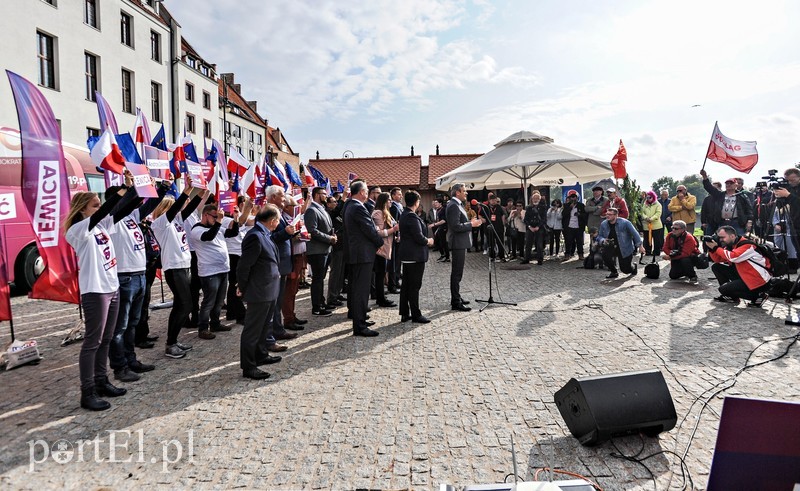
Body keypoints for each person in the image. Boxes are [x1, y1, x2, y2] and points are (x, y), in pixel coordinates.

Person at [65, 188, 131, 411]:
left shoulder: (101, 227)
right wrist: (121, 191)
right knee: (92, 341)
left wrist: (138, 189)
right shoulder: (78, 230)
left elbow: (124, 210)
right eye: (94, 204)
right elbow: (106, 210)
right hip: (95, 291)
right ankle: (88, 391)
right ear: (82, 209)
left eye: (98, 203)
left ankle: (102, 381)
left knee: (107, 338)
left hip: (112, 287)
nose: (99, 207)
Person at [106, 178, 166, 383]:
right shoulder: (111, 218)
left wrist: (162, 188)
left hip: (140, 275)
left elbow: (149, 203)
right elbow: (130, 201)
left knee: (132, 322)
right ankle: (119, 366)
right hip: (125, 277)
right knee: (120, 326)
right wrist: (132, 188)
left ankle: (131, 359)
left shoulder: (131, 216)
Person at [151, 180, 204, 359]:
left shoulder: (176, 221)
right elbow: (177, 209)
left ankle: (173, 341)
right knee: (184, 304)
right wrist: (187, 191)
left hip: (184, 266)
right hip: (174, 268)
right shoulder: (160, 224)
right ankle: (170, 343)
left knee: (184, 304)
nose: (178, 211)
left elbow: (189, 208)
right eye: (173, 208)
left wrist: (202, 191)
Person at [237, 204, 283, 380]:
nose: (278, 223)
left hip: (269, 288)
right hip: (259, 290)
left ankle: (261, 354)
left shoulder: (265, 234)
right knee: (253, 330)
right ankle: (249, 366)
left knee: (265, 326)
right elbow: (244, 266)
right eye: (277, 220)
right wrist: (243, 287)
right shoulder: (255, 236)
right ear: (272, 221)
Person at [190, 203, 240, 340]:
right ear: (205, 215)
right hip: (209, 271)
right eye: (214, 216)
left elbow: (232, 233)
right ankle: (203, 328)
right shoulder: (197, 229)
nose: (217, 219)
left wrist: (235, 219)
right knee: (209, 301)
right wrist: (218, 222)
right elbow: (208, 237)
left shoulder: (216, 227)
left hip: (223, 269)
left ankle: (215, 323)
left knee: (219, 301)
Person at [344, 180, 386, 336]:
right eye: (367, 190)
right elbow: (368, 229)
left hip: (356, 253)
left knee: (357, 289)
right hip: (362, 254)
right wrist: (380, 242)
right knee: (361, 290)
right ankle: (360, 326)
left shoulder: (349, 205)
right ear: (361, 192)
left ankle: (359, 317)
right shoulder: (357, 207)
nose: (368, 193)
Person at [707, 225, 770, 306]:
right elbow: (718, 259)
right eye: (719, 238)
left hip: (758, 280)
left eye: (722, 237)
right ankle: (731, 296)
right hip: (745, 275)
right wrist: (711, 249)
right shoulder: (731, 245)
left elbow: (733, 257)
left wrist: (716, 248)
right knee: (717, 267)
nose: (720, 240)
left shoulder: (747, 245)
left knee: (723, 289)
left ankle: (758, 296)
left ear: (732, 236)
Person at [397, 190, 433, 323]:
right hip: (414, 255)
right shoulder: (411, 216)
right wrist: (428, 241)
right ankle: (416, 314)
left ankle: (405, 313)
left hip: (409, 255)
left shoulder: (404, 214)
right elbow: (418, 236)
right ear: (416, 202)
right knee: (414, 286)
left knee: (407, 285)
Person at [446, 183, 482, 311]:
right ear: (457, 192)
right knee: (456, 273)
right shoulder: (453, 206)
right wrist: (471, 224)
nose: (466, 193)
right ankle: (455, 301)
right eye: (464, 191)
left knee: (458, 273)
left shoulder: (457, 205)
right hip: (457, 243)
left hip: (460, 242)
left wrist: (470, 223)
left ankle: (457, 296)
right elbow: (456, 226)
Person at [305, 186, 337, 316]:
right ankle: (317, 307)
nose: (326, 196)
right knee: (317, 279)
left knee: (321, 278)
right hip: (317, 250)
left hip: (326, 249)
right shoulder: (311, 210)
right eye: (324, 194)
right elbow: (312, 230)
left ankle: (321, 302)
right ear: (317, 195)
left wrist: (332, 235)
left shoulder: (322, 209)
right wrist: (329, 238)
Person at [225, 195, 254, 325]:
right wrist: (248, 206)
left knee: (234, 284)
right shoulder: (225, 218)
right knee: (235, 284)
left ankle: (231, 312)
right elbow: (240, 222)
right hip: (232, 254)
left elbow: (250, 222)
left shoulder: (239, 215)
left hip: (239, 253)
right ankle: (240, 314)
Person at [700, 170, 753, 236]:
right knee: (722, 240)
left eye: (731, 183)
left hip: (737, 223)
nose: (728, 185)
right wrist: (704, 176)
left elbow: (749, 210)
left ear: (736, 185)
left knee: (738, 240)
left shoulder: (742, 196)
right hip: (722, 222)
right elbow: (709, 188)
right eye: (727, 183)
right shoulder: (720, 195)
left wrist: (749, 221)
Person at [598, 208, 645, 278]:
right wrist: (603, 240)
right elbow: (600, 236)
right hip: (610, 246)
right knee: (605, 256)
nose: (607, 216)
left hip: (624, 247)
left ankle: (633, 267)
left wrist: (640, 246)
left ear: (616, 215)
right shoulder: (603, 224)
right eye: (607, 214)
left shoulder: (625, 223)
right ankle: (614, 271)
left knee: (625, 270)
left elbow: (635, 234)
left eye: (610, 214)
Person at [371, 192, 400, 308]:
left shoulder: (386, 212)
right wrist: (394, 230)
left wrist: (396, 234)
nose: (391, 202)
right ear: (383, 201)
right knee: (380, 275)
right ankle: (380, 298)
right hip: (380, 249)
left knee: (382, 273)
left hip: (387, 247)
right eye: (389, 200)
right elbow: (378, 233)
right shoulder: (377, 213)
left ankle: (381, 296)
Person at [326, 195, 346, 307]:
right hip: (336, 247)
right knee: (335, 272)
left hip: (342, 246)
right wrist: (344, 197)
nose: (336, 204)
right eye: (334, 202)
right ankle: (332, 297)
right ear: (328, 204)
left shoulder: (337, 214)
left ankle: (337, 293)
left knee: (341, 272)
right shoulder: (329, 213)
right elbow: (336, 211)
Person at [522, 192, 548, 265]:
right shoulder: (529, 208)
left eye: (537, 198)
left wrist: (538, 227)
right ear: (532, 199)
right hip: (530, 228)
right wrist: (529, 227)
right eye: (534, 198)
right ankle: (527, 259)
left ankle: (540, 259)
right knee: (528, 244)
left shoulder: (543, 208)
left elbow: (544, 219)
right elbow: (525, 219)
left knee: (539, 245)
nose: (535, 200)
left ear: (539, 199)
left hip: (539, 228)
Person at [561, 190, 587, 261]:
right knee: (568, 241)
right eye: (571, 197)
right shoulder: (566, 205)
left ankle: (581, 254)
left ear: (577, 198)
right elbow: (563, 215)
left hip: (579, 226)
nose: (573, 199)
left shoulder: (581, 205)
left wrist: (580, 215)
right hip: (569, 226)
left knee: (579, 241)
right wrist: (570, 208)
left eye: (574, 197)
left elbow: (585, 215)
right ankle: (567, 254)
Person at [641, 190, 665, 256]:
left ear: (653, 197)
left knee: (657, 240)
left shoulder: (658, 204)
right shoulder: (644, 204)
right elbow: (642, 212)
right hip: (646, 225)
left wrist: (651, 219)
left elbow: (658, 213)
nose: (648, 199)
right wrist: (646, 218)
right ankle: (648, 251)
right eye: (647, 197)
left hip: (656, 225)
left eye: (650, 197)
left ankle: (656, 252)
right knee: (647, 239)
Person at [486, 194, 507, 261]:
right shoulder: (487, 207)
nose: (494, 202)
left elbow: (503, 215)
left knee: (500, 242)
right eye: (492, 200)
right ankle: (492, 256)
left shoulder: (499, 207)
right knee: (491, 243)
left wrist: (503, 223)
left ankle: (502, 256)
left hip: (499, 227)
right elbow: (481, 215)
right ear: (489, 201)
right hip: (490, 228)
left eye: (495, 200)